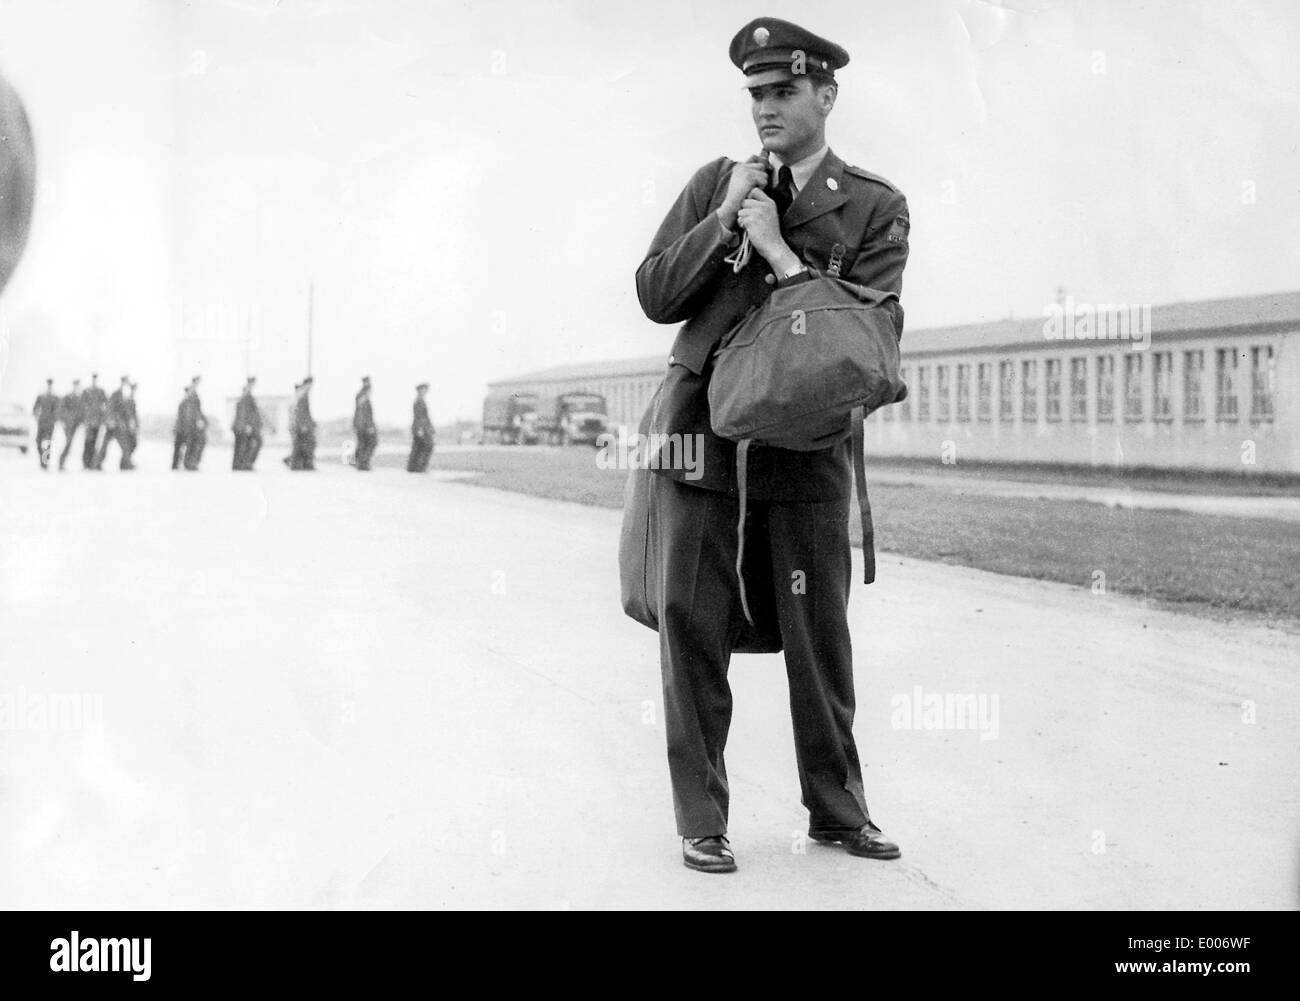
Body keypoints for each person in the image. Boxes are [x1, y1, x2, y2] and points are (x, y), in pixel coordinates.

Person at [635, 17, 911, 873]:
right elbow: (654, 293)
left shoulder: (873, 205)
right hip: (701, 443)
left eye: (784, 92)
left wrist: (782, 256)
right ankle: (701, 819)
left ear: (826, 96)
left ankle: (836, 809)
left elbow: (875, 332)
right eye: (756, 94)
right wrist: (724, 222)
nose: (766, 108)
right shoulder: (716, 183)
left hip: (807, 445)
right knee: (690, 626)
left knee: (819, 629)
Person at [96, 375, 132, 469]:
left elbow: (126, 412)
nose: (126, 384)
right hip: (113, 424)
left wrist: (128, 422)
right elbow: (110, 407)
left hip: (119, 425)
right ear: (122, 382)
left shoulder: (125, 395)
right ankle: (96, 464)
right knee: (106, 446)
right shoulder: (116, 394)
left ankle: (126, 464)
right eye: (125, 382)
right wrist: (110, 420)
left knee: (125, 445)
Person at [285, 377, 316, 470]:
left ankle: (297, 463)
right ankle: (302, 464)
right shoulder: (302, 395)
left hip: (298, 425)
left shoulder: (299, 395)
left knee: (300, 445)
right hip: (300, 425)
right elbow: (302, 412)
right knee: (307, 444)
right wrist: (303, 425)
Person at [232, 376, 263, 470]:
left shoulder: (247, 396)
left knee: (244, 445)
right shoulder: (246, 397)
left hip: (245, 426)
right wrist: (246, 425)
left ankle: (240, 464)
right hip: (245, 426)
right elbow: (243, 412)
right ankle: (245, 463)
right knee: (249, 444)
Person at [81, 372, 108, 469]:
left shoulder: (101, 392)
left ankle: (93, 463)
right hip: (89, 422)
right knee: (88, 442)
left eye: (96, 379)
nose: (94, 381)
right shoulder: (86, 391)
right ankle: (86, 462)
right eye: (93, 379)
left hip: (97, 421)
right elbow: (82, 406)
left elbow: (106, 405)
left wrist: (103, 419)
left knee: (95, 442)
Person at [407, 382, 434, 472]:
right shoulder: (419, 401)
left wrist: (430, 427)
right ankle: (420, 467)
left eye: (425, 389)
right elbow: (419, 416)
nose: (425, 391)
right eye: (423, 389)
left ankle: (412, 467)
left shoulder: (420, 400)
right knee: (427, 446)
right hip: (421, 428)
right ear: (419, 390)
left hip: (421, 428)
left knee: (417, 447)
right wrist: (420, 429)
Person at [352, 376, 377, 471]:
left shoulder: (362, 396)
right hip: (363, 426)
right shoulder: (362, 396)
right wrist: (368, 426)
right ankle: (363, 463)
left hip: (361, 425)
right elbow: (362, 413)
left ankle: (356, 461)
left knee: (362, 444)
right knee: (369, 443)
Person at [57, 378, 83, 471]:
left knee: (69, 443)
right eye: (76, 386)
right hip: (68, 425)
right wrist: (63, 420)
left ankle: (61, 463)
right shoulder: (68, 397)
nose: (77, 388)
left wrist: (82, 422)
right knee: (68, 443)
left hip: (75, 425)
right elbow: (61, 409)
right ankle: (56, 462)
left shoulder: (80, 398)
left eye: (78, 386)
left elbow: (82, 411)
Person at [32, 377, 58, 469]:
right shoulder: (41, 396)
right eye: (48, 384)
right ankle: (42, 458)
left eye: (50, 385)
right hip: (41, 422)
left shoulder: (55, 397)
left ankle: (45, 462)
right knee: (38, 442)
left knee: (47, 443)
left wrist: (54, 419)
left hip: (50, 424)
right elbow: (35, 408)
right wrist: (36, 417)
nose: (49, 386)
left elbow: (58, 410)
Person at [120, 381, 139, 470]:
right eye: (133, 389)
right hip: (127, 427)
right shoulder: (128, 401)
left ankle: (125, 462)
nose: (133, 391)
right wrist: (130, 425)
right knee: (128, 445)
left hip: (131, 427)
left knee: (132, 444)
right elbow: (129, 415)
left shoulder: (132, 401)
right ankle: (125, 463)